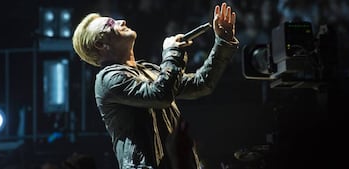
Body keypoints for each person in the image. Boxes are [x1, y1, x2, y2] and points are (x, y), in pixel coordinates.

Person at [72, 2, 238, 169]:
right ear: (100, 45)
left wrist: (223, 41)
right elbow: (160, 96)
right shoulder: (108, 79)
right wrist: (172, 53)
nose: (121, 21)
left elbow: (201, 84)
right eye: (110, 24)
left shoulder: (149, 70)